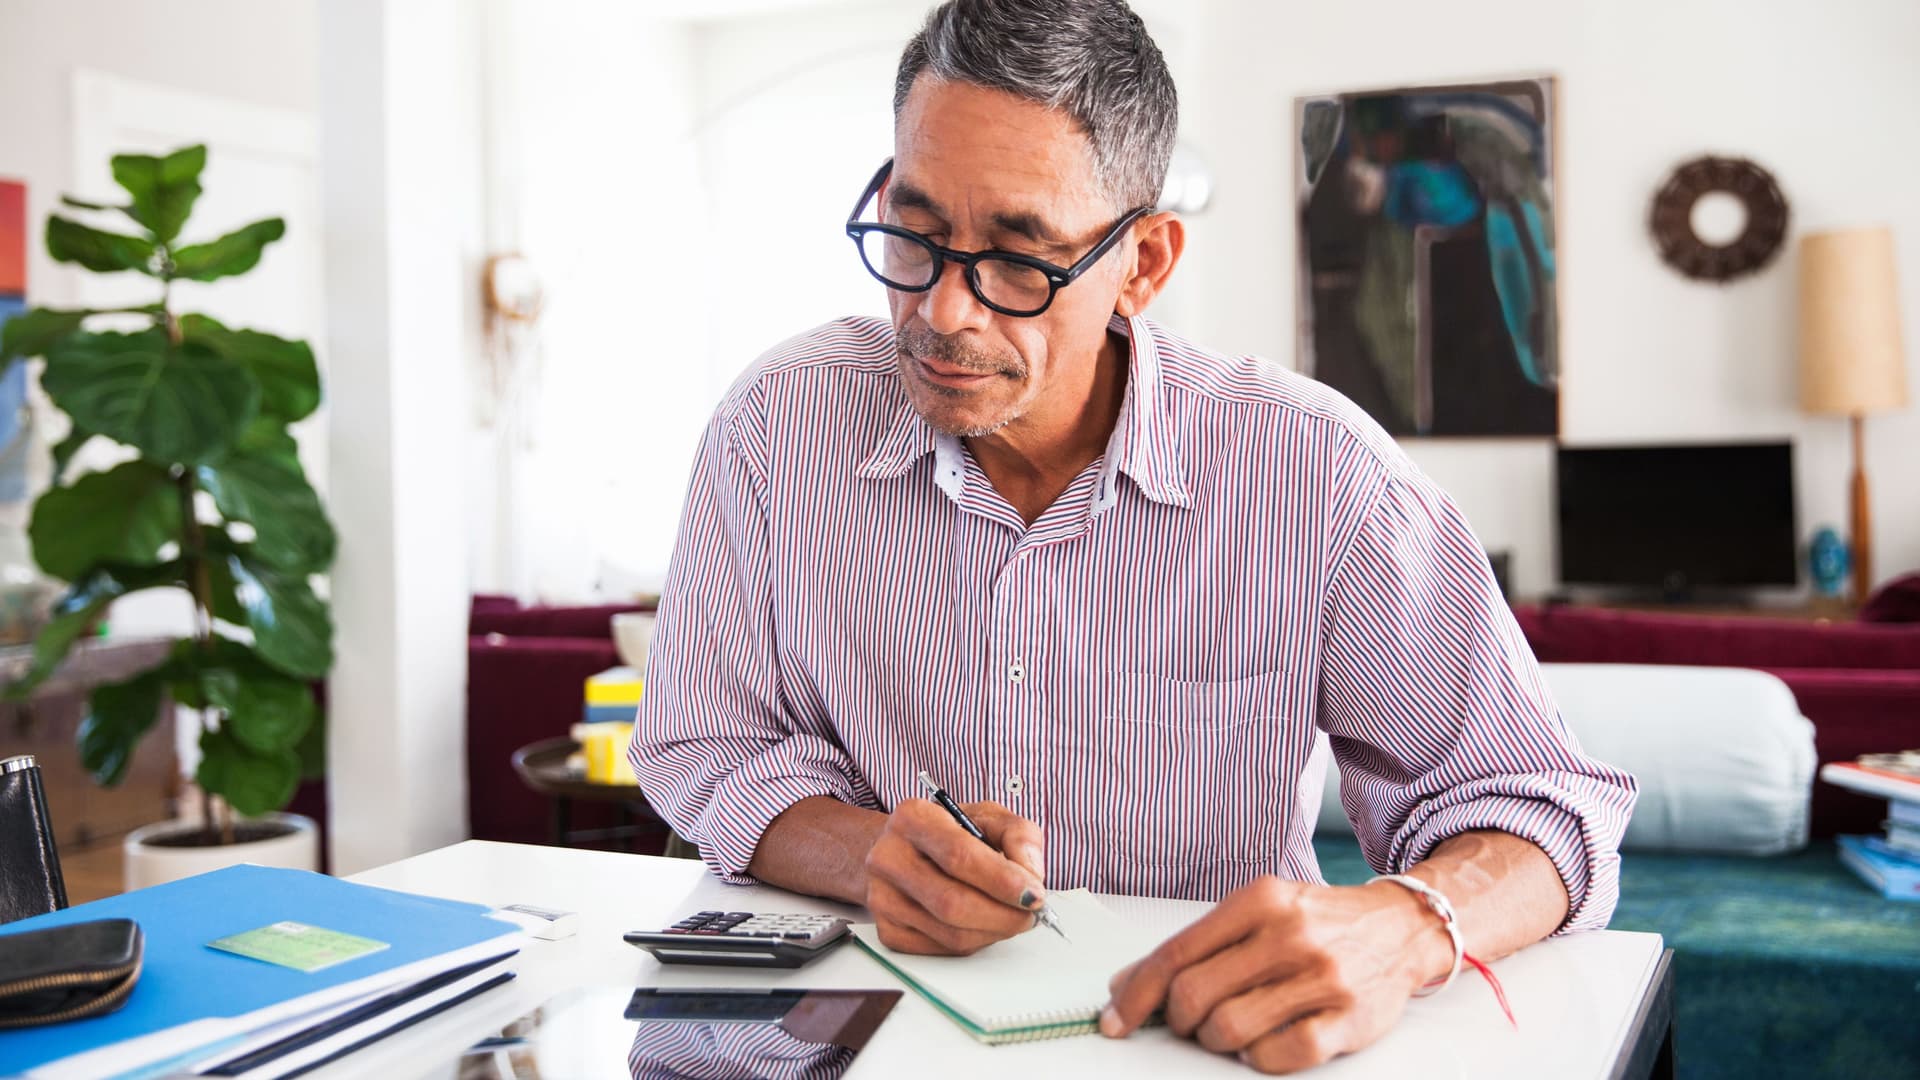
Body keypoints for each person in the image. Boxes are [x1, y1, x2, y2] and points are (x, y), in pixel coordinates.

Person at [631, 0, 1636, 1072]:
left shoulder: (1319, 475)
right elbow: (705, 745)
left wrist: (1400, 926)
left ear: (1145, 262)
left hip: (1191, 1049)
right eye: (914, 233)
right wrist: (868, 854)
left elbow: (1541, 803)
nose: (944, 313)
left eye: (1019, 258)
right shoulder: (774, 429)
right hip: (860, 1041)